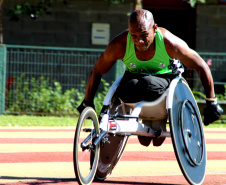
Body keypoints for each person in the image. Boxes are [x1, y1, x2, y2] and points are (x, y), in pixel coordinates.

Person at [77, 9, 223, 126]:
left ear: (154, 28)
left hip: (164, 78)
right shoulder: (119, 45)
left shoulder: (169, 43)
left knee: (149, 85)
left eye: (144, 35)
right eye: (134, 35)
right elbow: (97, 70)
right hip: (136, 79)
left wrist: (212, 101)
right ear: (129, 30)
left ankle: (157, 120)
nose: (139, 41)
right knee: (125, 89)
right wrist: (87, 101)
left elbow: (201, 65)